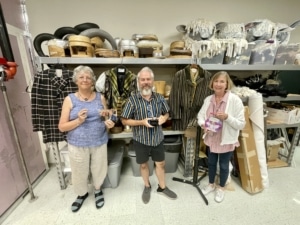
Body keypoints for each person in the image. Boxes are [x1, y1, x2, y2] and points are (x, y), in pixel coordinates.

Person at [58, 65, 115, 212]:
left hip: (99, 141)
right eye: (81, 77)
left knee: (99, 169)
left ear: (92, 81)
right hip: (77, 144)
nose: (85, 79)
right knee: (79, 171)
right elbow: (62, 126)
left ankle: (97, 190)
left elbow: (107, 115)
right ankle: (81, 194)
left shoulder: (100, 97)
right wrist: (78, 121)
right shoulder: (69, 100)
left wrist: (109, 122)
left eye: (88, 77)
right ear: (76, 80)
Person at [121, 66, 177, 204]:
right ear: (138, 82)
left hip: (157, 138)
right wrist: (141, 122)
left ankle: (162, 187)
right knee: (144, 165)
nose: (145, 82)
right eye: (143, 79)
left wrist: (164, 118)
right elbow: (124, 120)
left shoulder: (159, 98)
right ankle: (147, 186)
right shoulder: (132, 100)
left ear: (152, 81)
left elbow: (167, 112)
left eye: (148, 79)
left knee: (161, 164)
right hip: (141, 139)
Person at [197, 71, 245, 203]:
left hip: (226, 140)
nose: (218, 84)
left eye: (222, 81)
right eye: (216, 81)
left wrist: (227, 117)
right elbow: (200, 116)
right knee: (211, 163)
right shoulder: (208, 100)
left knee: (224, 166)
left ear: (227, 84)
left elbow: (241, 124)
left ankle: (221, 188)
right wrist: (203, 125)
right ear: (212, 83)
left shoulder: (235, 101)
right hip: (212, 138)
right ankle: (211, 184)